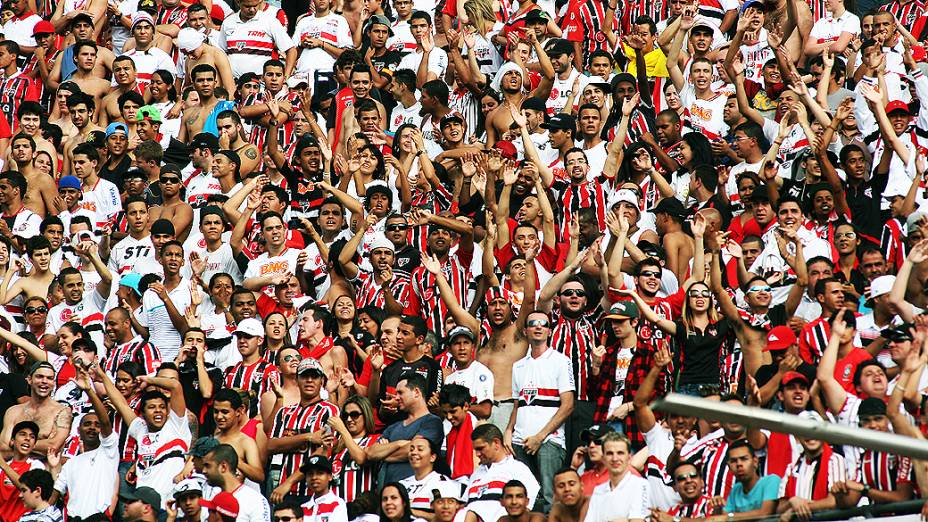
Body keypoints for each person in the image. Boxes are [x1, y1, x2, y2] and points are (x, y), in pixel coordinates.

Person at [580, 432, 649, 522]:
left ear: (629, 457)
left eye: (620, 453)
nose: (615, 458)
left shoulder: (641, 485)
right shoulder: (598, 490)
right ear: (604, 458)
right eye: (609, 453)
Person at [201, 444, 272, 522]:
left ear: (223, 467)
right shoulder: (209, 494)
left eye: (208, 466)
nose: (203, 471)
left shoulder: (255, 500)